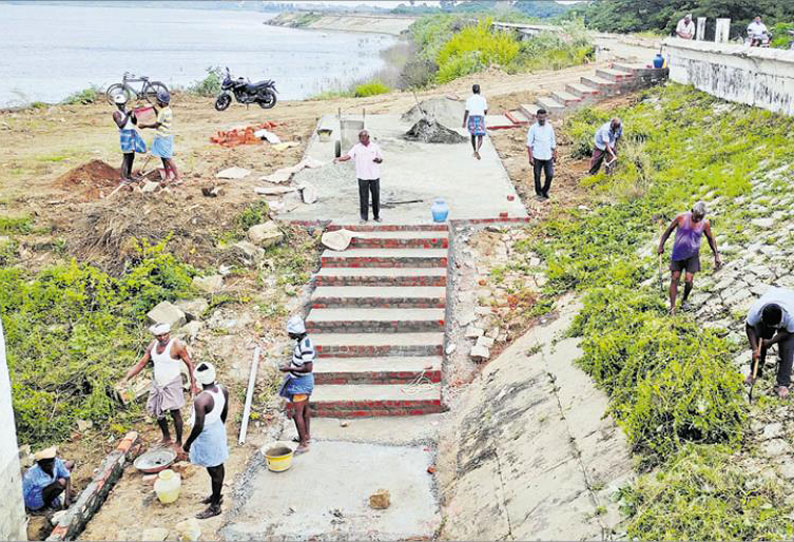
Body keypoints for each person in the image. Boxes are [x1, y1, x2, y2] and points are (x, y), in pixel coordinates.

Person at [120, 323, 199, 452]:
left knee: (175, 413)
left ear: (169, 333)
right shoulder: (153, 346)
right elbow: (141, 363)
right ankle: (166, 437)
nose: (162, 338)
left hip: (172, 383)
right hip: (158, 383)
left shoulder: (176, 345)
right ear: (155, 336)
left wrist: (193, 385)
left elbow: (190, 365)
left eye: (165, 335)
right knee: (158, 411)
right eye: (159, 336)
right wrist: (126, 378)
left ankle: (178, 441)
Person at [657, 202, 721, 314]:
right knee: (675, 278)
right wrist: (661, 245)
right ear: (692, 211)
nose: (697, 220)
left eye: (700, 218)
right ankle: (672, 308)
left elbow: (711, 239)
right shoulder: (681, 217)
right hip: (678, 253)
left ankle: (685, 300)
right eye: (696, 217)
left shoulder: (705, 224)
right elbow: (667, 232)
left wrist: (716, 255)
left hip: (692, 255)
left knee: (689, 280)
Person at [183, 362, 229, 519]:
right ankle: (216, 495)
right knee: (214, 465)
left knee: (215, 469)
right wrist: (220, 426)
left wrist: (188, 443)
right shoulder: (222, 390)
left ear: (197, 380)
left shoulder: (201, 400)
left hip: (207, 434)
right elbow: (224, 411)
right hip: (216, 428)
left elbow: (198, 426)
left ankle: (215, 505)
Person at [745, 288, 794, 399]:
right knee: (759, 337)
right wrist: (755, 349)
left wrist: (772, 341)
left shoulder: (791, 317)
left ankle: (783, 383)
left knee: (787, 349)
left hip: (789, 306)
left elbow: (788, 332)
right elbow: (749, 327)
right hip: (774, 296)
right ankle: (756, 372)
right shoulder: (756, 311)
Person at [279, 315, 315, 455]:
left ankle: (303, 444)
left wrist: (289, 369)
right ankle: (305, 436)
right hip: (302, 382)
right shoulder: (303, 342)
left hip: (301, 383)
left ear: (295, 333)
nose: (288, 335)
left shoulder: (304, 346)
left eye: (290, 332)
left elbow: (308, 367)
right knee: (305, 411)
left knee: (297, 413)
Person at [334, 130, 384, 224]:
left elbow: (381, 159)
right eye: (360, 138)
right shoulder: (356, 148)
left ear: (368, 137)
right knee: (363, 197)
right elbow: (348, 156)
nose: (362, 139)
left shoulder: (375, 147)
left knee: (376, 196)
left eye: (363, 137)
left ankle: (376, 216)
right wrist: (339, 159)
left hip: (374, 176)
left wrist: (378, 160)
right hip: (362, 176)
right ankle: (364, 218)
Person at [138, 90, 180, 183]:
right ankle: (168, 176)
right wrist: (154, 108)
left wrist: (144, 126)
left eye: (158, 101)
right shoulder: (167, 110)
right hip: (166, 136)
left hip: (162, 137)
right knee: (163, 157)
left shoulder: (163, 112)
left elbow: (156, 125)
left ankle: (177, 177)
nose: (157, 102)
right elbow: (160, 116)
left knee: (168, 158)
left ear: (163, 102)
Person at [22, 447, 73, 512]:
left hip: (48, 491)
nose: (52, 465)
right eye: (48, 464)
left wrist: (67, 498)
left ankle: (51, 501)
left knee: (62, 481)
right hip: (35, 499)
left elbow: (67, 477)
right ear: (40, 464)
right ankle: (44, 507)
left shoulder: (56, 462)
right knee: (57, 484)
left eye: (52, 462)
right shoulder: (31, 475)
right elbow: (25, 495)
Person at [112, 94, 145, 182]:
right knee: (126, 156)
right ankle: (124, 177)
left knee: (131, 156)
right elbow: (121, 125)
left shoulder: (126, 111)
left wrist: (133, 115)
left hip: (132, 133)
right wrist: (127, 115)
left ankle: (129, 175)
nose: (122, 106)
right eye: (120, 104)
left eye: (123, 104)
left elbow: (134, 123)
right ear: (117, 105)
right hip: (125, 135)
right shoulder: (116, 113)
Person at [526, 108, 557, 200]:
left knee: (550, 175)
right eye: (540, 118)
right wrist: (530, 157)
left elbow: (553, 141)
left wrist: (555, 154)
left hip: (548, 156)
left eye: (543, 118)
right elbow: (529, 144)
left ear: (546, 117)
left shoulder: (549, 127)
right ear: (537, 117)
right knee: (537, 175)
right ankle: (539, 193)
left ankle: (545, 191)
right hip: (537, 156)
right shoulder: (533, 128)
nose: (542, 120)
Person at [462, 84, 488, 160]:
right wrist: (484, 114)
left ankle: (474, 150)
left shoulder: (469, 99)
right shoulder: (483, 99)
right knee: (480, 136)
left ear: (472, 91)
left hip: (472, 118)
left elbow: (466, 111)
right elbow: (485, 110)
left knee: (473, 135)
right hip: (480, 117)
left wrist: (464, 122)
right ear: (479, 90)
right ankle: (477, 150)